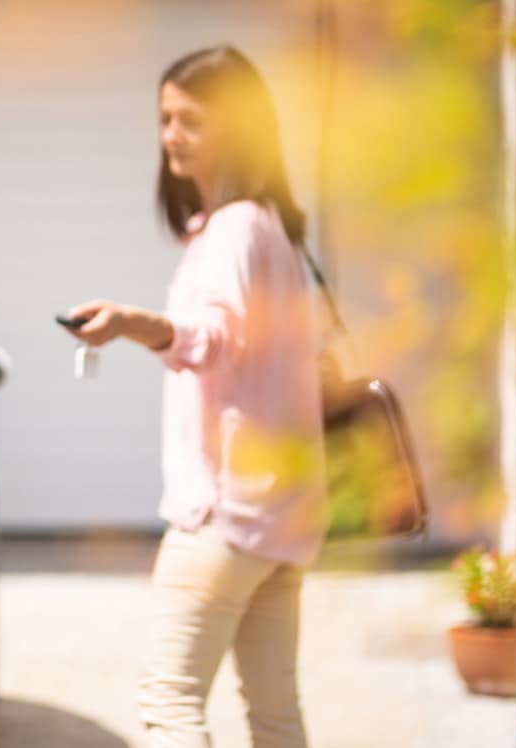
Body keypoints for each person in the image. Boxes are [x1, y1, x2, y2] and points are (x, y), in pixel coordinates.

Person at [61, 45, 326, 747]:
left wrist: (129, 323)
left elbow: (216, 340)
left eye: (190, 120)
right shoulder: (273, 226)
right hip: (280, 514)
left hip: (223, 517)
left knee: (169, 705)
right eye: (164, 118)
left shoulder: (238, 226)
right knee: (274, 714)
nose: (170, 135)